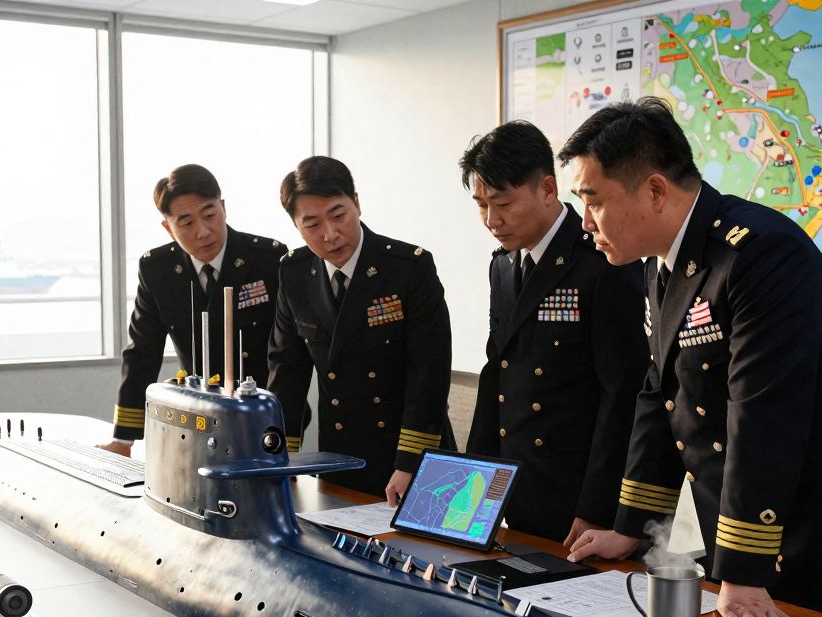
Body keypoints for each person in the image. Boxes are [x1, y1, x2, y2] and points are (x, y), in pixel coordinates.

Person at [563, 98, 822, 617]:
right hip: (757, 542)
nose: (585, 223)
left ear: (656, 190)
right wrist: (631, 529)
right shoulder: (660, 263)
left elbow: (765, 412)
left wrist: (740, 566)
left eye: (593, 201)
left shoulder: (761, 252)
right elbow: (658, 394)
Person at [459, 121, 647, 544]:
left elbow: (625, 394)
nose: (492, 220)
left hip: (585, 496)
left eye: (503, 203)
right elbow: (497, 375)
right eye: (480, 204)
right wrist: (471, 486)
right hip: (521, 489)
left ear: (547, 189)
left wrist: (601, 508)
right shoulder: (504, 266)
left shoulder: (601, 262)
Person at [267, 156, 454, 502]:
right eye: (311, 224)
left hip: (413, 453)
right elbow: (287, 372)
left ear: (357, 203)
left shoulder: (407, 267)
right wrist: (280, 460)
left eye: (338, 215)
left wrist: (411, 463)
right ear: (296, 226)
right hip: (342, 456)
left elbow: (429, 372)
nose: (330, 234)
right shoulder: (294, 273)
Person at [101, 164, 287, 455]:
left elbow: (289, 358)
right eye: (186, 223)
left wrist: (286, 440)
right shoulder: (158, 270)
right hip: (198, 421)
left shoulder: (267, 259)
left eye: (210, 215)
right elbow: (142, 352)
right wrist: (123, 439)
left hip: (262, 418)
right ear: (168, 228)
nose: (203, 232)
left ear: (223, 208)